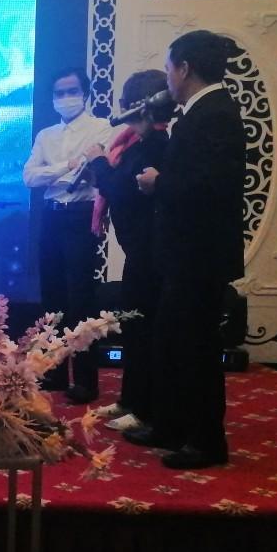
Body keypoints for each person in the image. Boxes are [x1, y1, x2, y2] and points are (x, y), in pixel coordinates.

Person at [127, 31, 245, 469]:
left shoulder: (216, 114)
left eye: (168, 68)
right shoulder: (199, 112)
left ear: (185, 68)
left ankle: (206, 442)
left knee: (196, 350)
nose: (167, 79)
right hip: (183, 255)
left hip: (200, 257)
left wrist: (158, 183)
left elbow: (209, 187)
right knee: (172, 343)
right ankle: (170, 426)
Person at [82, 70, 171, 432]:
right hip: (137, 251)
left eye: (125, 102)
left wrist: (98, 161)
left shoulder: (157, 145)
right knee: (134, 330)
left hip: (152, 253)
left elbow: (121, 190)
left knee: (145, 332)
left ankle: (145, 407)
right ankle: (129, 400)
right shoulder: (134, 143)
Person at [22, 67, 116, 404]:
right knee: (52, 298)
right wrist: (67, 167)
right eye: (59, 93)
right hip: (51, 215)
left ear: (85, 94)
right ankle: (55, 372)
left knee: (81, 299)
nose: (65, 98)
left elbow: (93, 173)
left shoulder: (101, 128)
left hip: (81, 215)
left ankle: (86, 381)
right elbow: (30, 177)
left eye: (72, 91)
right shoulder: (46, 135)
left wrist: (61, 173)